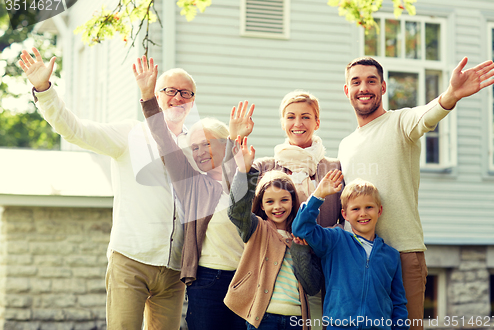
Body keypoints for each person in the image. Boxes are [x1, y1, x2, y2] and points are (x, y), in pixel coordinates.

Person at [18, 48, 193, 329]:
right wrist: (44, 89)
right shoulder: (129, 134)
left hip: (173, 270)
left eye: (186, 93)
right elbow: (75, 129)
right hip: (131, 261)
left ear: (192, 103)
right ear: (156, 95)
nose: (178, 98)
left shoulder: (195, 147)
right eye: (171, 90)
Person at [337, 56, 494, 330]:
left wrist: (452, 95)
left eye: (371, 81)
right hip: (359, 258)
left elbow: (428, 113)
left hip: (402, 253)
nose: (363, 87)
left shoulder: (401, 122)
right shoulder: (345, 144)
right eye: (356, 82)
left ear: (384, 87)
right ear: (347, 90)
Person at [134, 56, 248, 330]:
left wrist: (236, 142)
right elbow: (163, 139)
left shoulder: (247, 176)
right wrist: (149, 97)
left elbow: (240, 196)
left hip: (246, 279)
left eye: (206, 144)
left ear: (225, 143)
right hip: (207, 281)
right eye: (194, 147)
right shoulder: (193, 185)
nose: (200, 152)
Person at [247, 90, 343, 329]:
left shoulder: (334, 167)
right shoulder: (264, 167)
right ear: (282, 122)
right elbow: (236, 196)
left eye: (306, 117)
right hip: (279, 276)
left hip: (322, 270)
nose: (297, 123)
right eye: (290, 117)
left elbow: (345, 217)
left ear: (317, 122)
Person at [292, 174, 409, 330]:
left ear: (379, 210)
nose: (363, 213)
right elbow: (301, 229)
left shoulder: (391, 256)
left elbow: (398, 303)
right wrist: (318, 195)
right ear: (344, 214)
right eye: (355, 209)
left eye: (369, 207)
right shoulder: (334, 240)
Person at [223, 136, 312, 330]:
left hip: (297, 319)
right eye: (270, 201)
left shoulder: (302, 235)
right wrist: (244, 172)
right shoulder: (257, 228)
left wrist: (303, 252)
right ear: (261, 206)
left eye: (284, 200)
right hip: (263, 318)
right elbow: (236, 211)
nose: (277, 207)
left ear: (293, 201)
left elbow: (312, 285)